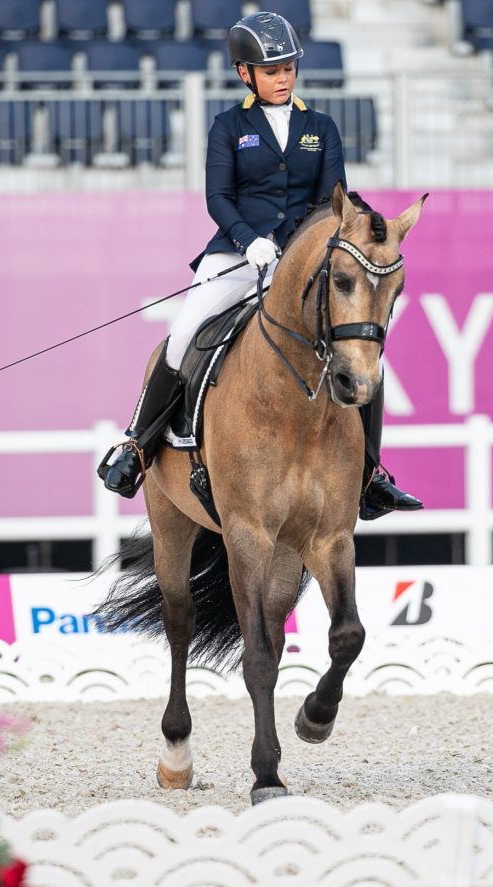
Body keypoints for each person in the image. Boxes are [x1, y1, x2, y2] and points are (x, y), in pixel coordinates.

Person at [99, 10, 422, 520]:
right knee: (184, 333)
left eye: (289, 69)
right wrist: (249, 241)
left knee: (360, 353)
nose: (283, 78)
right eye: (272, 71)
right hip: (237, 253)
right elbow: (218, 197)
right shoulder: (230, 126)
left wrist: (347, 230)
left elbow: (332, 200)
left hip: (301, 263)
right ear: (246, 74)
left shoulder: (321, 127)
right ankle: (136, 445)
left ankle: (371, 474)